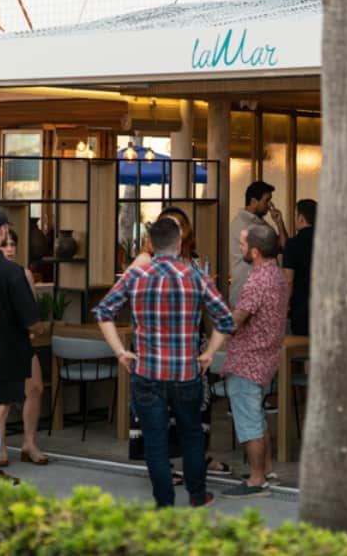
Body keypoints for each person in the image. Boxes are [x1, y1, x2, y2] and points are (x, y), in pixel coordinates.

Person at [94, 218, 236, 508]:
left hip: (147, 372)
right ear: (180, 243)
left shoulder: (135, 276)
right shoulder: (196, 277)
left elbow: (103, 312)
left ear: (150, 244)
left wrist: (121, 352)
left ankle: (164, 503)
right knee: (192, 435)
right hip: (186, 373)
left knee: (155, 441)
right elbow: (225, 320)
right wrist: (209, 353)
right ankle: (197, 495)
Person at [0, 207, 48, 469]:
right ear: (4, 230)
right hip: (5, 349)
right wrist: (41, 329)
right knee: (0, 405)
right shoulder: (11, 272)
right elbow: (31, 320)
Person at [220, 225, 288, 498]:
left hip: (247, 359)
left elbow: (236, 320)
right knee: (257, 417)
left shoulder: (258, 279)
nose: (240, 248)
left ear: (256, 251)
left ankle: (256, 480)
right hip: (266, 356)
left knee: (249, 422)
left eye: (242, 244)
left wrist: (217, 316)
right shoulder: (277, 275)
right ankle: (267, 471)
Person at [0, 226, 49, 465]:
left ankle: (29, 443)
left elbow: (31, 309)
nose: (10, 249)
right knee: (2, 398)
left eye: (13, 244)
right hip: (0, 342)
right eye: (5, 245)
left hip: (22, 341)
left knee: (35, 387)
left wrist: (33, 329)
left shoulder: (24, 274)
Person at [229, 181, 287, 308]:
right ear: (254, 201)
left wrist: (279, 223)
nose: (270, 205)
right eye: (266, 201)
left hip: (262, 293)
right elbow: (269, 251)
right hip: (246, 293)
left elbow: (284, 247)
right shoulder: (242, 224)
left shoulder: (262, 224)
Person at [281, 199, 316, 336]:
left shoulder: (293, 244)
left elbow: (289, 280)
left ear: (301, 218)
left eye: (295, 215)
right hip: (324, 305)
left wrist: (285, 305)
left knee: (301, 345)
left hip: (301, 307)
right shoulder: (328, 242)